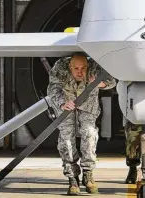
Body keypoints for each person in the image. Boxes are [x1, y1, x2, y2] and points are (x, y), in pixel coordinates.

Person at [47, 53, 117, 195]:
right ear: (69, 66)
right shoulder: (60, 67)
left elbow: (112, 80)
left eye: (83, 68)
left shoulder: (95, 66)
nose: (80, 72)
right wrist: (62, 104)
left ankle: (88, 174)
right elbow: (53, 88)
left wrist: (100, 83)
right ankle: (72, 178)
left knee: (90, 134)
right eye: (76, 68)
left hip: (88, 104)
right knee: (66, 140)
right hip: (66, 103)